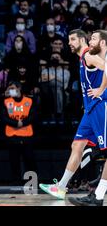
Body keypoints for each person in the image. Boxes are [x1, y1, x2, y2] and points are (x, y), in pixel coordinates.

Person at [39, 29, 105, 202]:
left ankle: (99, 192)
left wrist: (101, 91)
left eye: (73, 39)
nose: (70, 43)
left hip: (99, 107)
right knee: (76, 145)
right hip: (90, 110)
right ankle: (61, 187)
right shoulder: (83, 58)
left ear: (82, 40)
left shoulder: (88, 56)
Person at [2, 81, 37, 185]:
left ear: (19, 88)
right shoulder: (6, 101)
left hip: (27, 135)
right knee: (14, 160)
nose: (11, 90)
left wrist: (23, 123)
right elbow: (3, 117)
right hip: (12, 135)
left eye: (13, 88)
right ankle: (16, 181)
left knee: (29, 160)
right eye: (10, 88)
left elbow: (33, 116)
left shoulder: (29, 101)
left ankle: (31, 181)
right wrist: (16, 123)